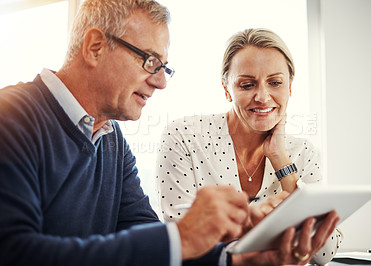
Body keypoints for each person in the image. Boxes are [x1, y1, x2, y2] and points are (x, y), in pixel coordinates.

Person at [0, 0, 339, 264]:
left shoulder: (111, 140)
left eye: (165, 68)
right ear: (95, 47)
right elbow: (15, 252)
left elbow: (149, 241)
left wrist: (240, 257)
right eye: (150, 62)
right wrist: (183, 237)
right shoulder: (11, 117)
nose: (161, 81)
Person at [156, 28, 342, 265]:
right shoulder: (183, 137)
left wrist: (281, 161)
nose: (263, 97)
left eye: (275, 82)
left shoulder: (302, 152)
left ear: (290, 88)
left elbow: (324, 253)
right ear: (226, 89)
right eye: (247, 85)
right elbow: (183, 242)